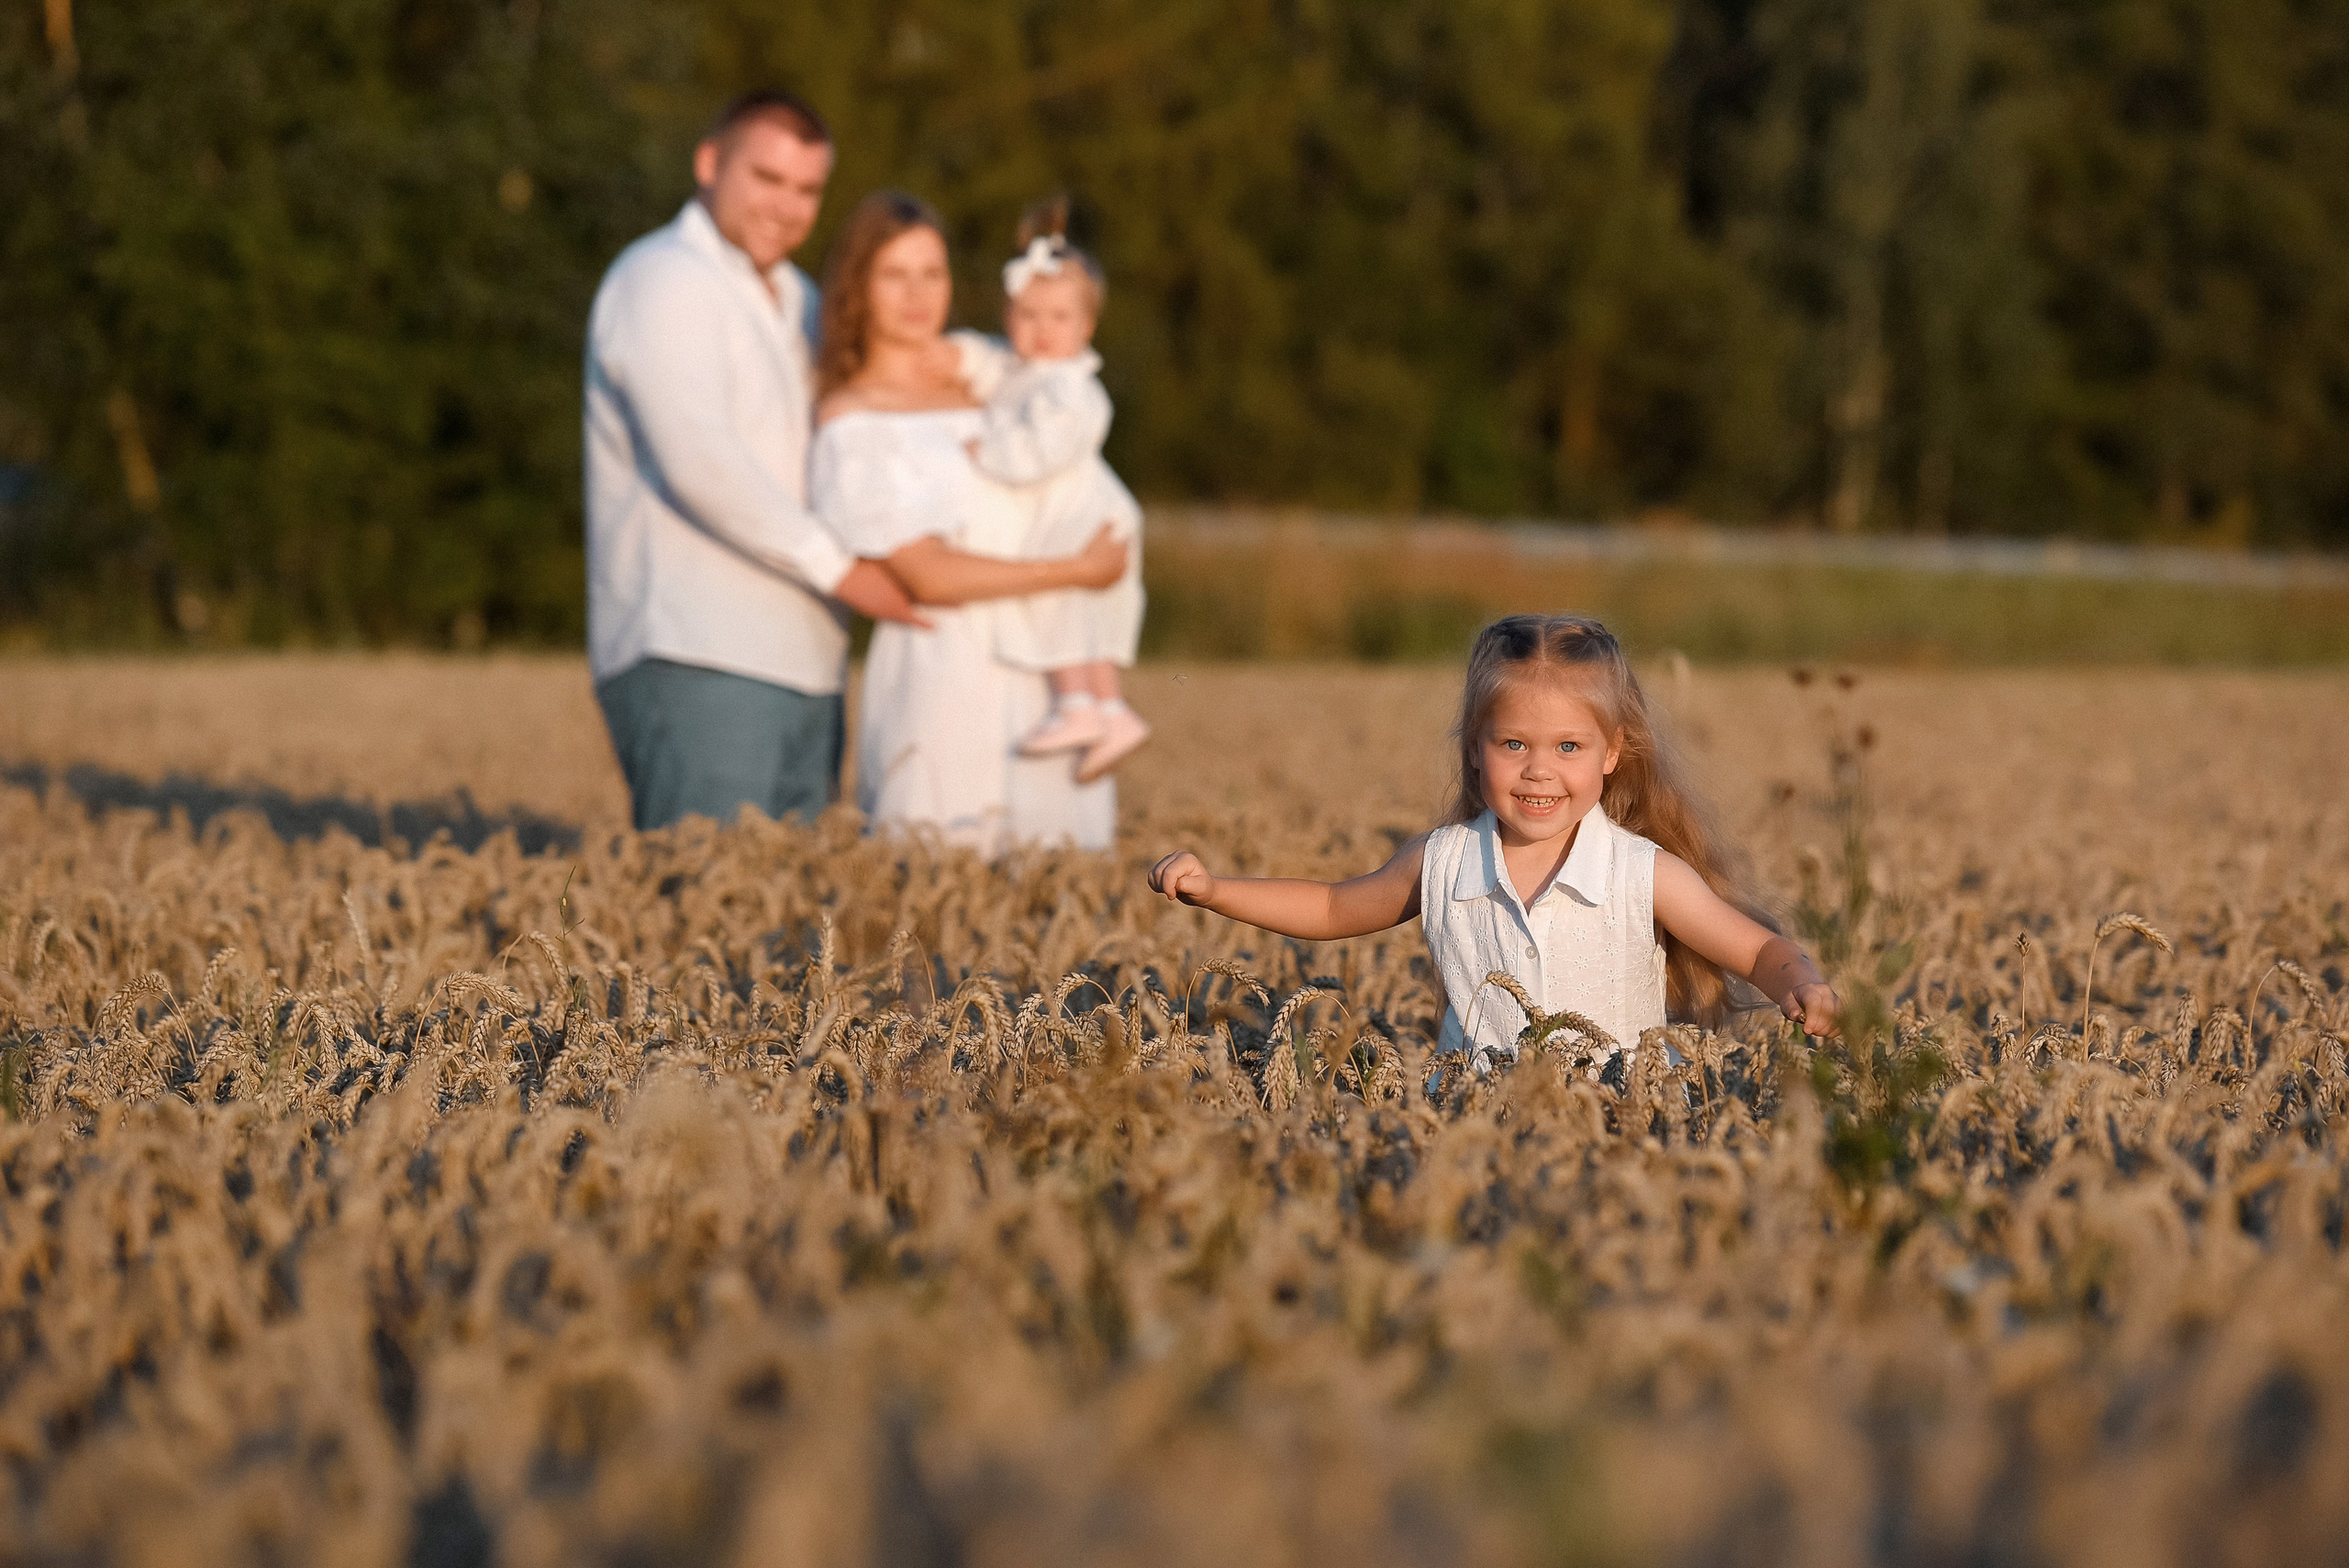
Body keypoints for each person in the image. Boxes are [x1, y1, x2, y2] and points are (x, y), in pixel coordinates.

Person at [1147, 614, 1842, 1073]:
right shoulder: (1443, 860)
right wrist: (1216, 891)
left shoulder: (1642, 873)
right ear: (1475, 750)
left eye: (1568, 746)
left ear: (1612, 752)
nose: (1539, 770)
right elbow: (1334, 907)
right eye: (1513, 744)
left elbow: (1757, 950)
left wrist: (1802, 984)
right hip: (1475, 1128)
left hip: (1629, 1127)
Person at [583, 89, 921, 832]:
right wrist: (843, 569)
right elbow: (698, 457)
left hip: (809, 657)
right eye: (766, 178)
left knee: (787, 903)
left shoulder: (803, 301)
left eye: (807, 189)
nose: (786, 206)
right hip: (699, 648)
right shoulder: (664, 278)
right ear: (709, 163)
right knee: (709, 895)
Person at [808, 193, 1130, 855]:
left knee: (1060, 869)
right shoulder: (852, 417)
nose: (917, 295)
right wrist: (1076, 569)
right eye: (895, 275)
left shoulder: (999, 376)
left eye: (933, 273)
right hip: (944, 676)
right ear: (856, 287)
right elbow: (927, 575)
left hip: (1046, 671)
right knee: (939, 866)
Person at [944, 202, 1149, 782]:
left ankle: (1077, 702)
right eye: (1027, 314)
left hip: (1076, 508)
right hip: (1076, 504)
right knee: (1083, 612)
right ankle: (1112, 710)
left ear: (1087, 327)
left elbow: (1041, 450)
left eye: (1059, 317)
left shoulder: (1070, 389)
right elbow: (988, 363)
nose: (1042, 329)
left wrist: (988, 451)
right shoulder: (1026, 370)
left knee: (1059, 601)